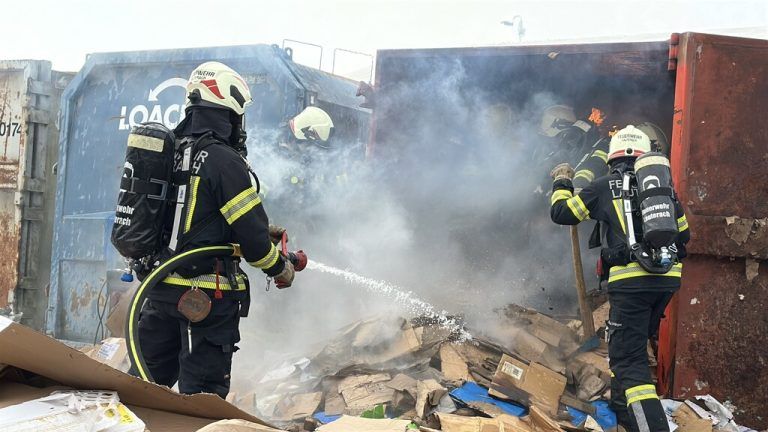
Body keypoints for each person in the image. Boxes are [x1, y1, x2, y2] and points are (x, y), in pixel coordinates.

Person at [135, 61, 295, 398]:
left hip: (159, 290)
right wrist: (280, 267)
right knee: (202, 398)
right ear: (230, 110)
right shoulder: (223, 159)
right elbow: (253, 243)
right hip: (205, 299)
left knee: (143, 389)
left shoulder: (172, 148)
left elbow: (189, 217)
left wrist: (251, 230)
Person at [549, 126, 690, 432]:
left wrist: (562, 181)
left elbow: (563, 212)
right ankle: (623, 413)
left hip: (631, 282)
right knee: (629, 346)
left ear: (612, 157)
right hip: (666, 280)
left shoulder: (603, 185)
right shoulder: (662, 191)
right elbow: (685, 235)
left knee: (629, 362)